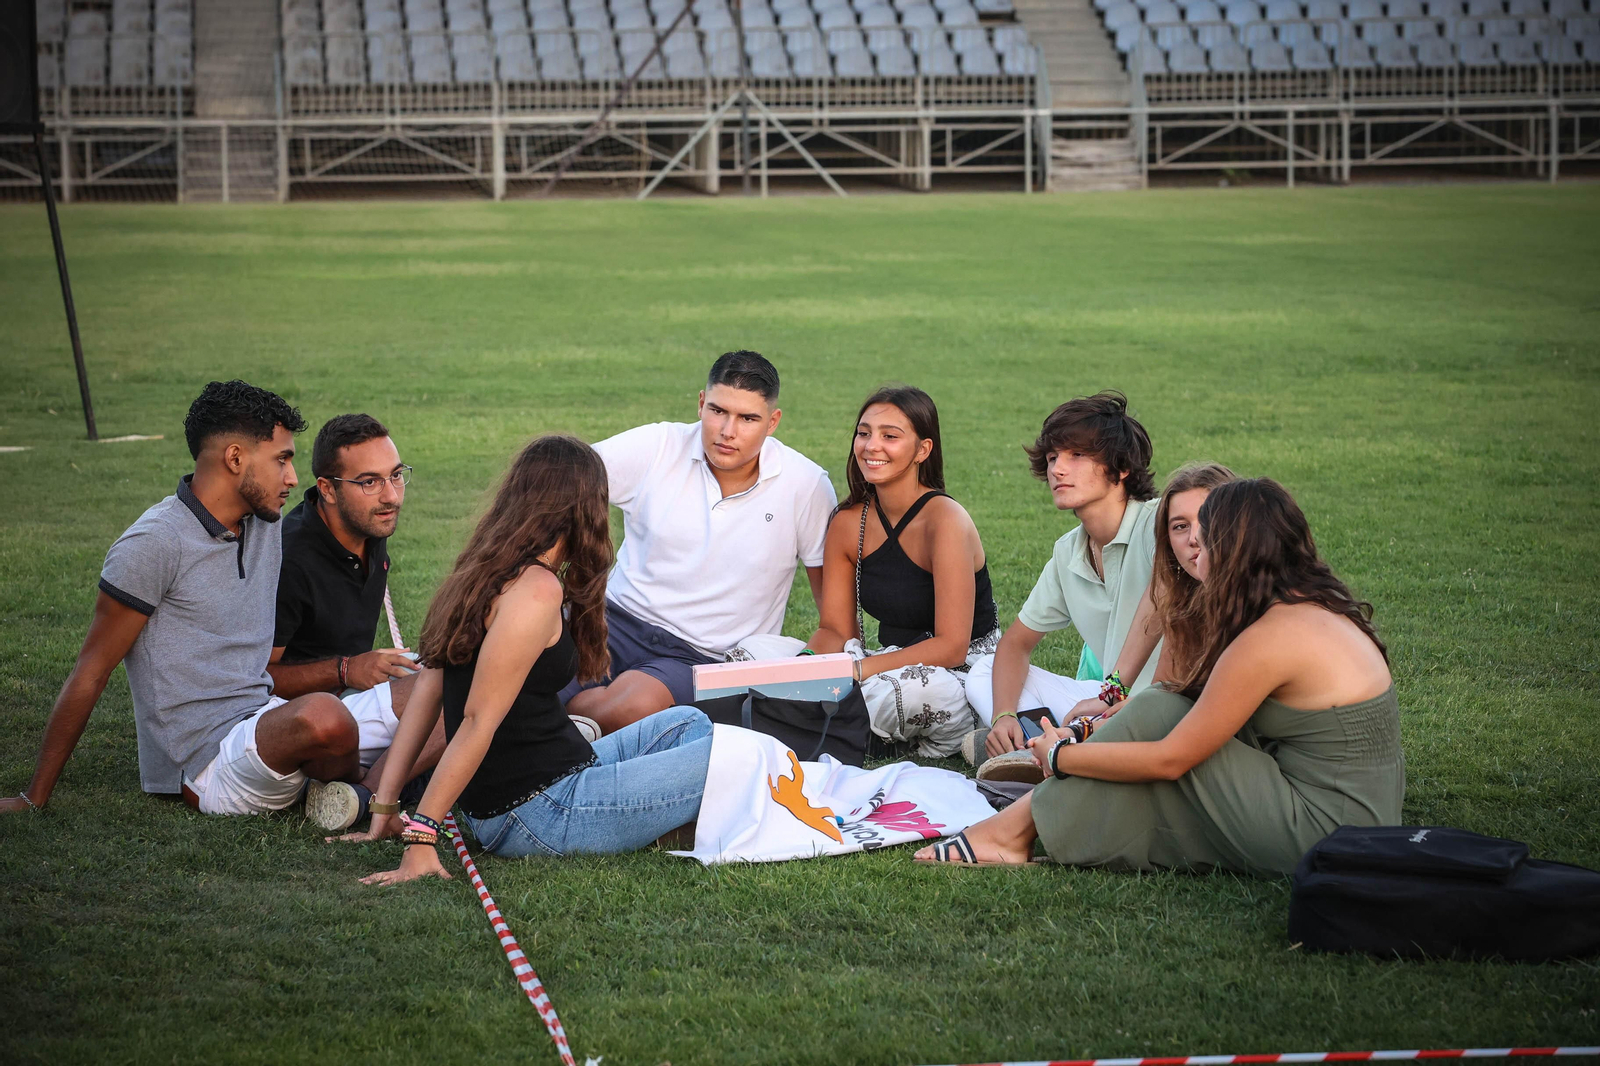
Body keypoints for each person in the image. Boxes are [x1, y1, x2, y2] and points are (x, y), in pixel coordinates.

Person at [915, 478, 1404, 876]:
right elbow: (1174, 697)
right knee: (1159, 706)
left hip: (1328, 832)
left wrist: (1065, 757)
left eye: (1204, 535)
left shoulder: (1270, 637)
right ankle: (1021, 822)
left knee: (1159, 712)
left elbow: (1172, 757)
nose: (1194, 546)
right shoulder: (1301, 606)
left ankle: (1012, 828)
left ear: (1235, 547)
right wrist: (1089, 734)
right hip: (1358, 819)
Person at [338, 436, 714, 881]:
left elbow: (428, 691)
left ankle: (649, 817)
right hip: (539, 811)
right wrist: (422, 838)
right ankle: (665, 823)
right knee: (719, 756)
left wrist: (385, 805)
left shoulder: (484, 569)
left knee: (689, 725)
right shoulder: (537, 591)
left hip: (545, 780)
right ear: (584, 508)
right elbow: (477, 720)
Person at [1, 381, 378, 818]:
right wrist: (34, 797)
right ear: (235, 459)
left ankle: (354, 794)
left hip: (265, 718)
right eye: (282, 460)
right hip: (206, 764)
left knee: (427, 686)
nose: (292, 478)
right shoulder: (152, 544)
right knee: (325, 716)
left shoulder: (264, 521)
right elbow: (92, 670)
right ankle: (368, 793)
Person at [562, 351, 836, 735]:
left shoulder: (806, 485)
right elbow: (561, 484)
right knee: (516, 678)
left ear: (772, 422)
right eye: (719, 411)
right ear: (701, 403)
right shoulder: (657, 445)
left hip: (702, 655)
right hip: (612, 620)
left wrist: (799, 667)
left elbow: (836, 616)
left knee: (630, 706)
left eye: (748, 418)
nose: (728, 430)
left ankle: (533, 736)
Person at [268, 413, 446, 830]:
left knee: (472, 661)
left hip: (350, 698)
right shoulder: (291, 560)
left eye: (396, 475)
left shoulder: (367, 525)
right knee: (451, 685)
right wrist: (348, 668)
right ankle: (368, 797)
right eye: (370, 482)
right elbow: (254, 679)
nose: (391, 496)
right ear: (327, 489)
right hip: (304, 723)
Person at [969, 391, 1161, 765]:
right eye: (1053, 457)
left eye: (1077, 456)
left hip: (1167, 702)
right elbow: (1015, 645)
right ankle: (1029, 745)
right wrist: (1003, 715)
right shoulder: (1068, 551)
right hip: (1105, 699)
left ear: (1121, 468)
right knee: (985, 669)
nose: (1057, 469)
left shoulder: (1160, 525)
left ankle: (1044, 751)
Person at [805, 386, 998, 757]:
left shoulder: (945, 520)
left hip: (962, 672)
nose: (871, 446)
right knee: (758, 652)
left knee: (914, 693)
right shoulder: (848, 523)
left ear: (922, 450)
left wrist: (861, 670)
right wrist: (802, 669)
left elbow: (952, 645)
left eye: (890, 436)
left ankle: (811, 722)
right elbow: (836, 631)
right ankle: (824, 717)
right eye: (864, 433)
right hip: (886, 660)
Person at [1057, 462, 1238, 724]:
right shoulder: (1180, 596)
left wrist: (1071, 748)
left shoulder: (1255, 601)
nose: (1194, 538)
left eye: (1208, 521)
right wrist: (1111, 698)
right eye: (1180, 526)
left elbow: (1180, 727)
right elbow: (1161, 699)